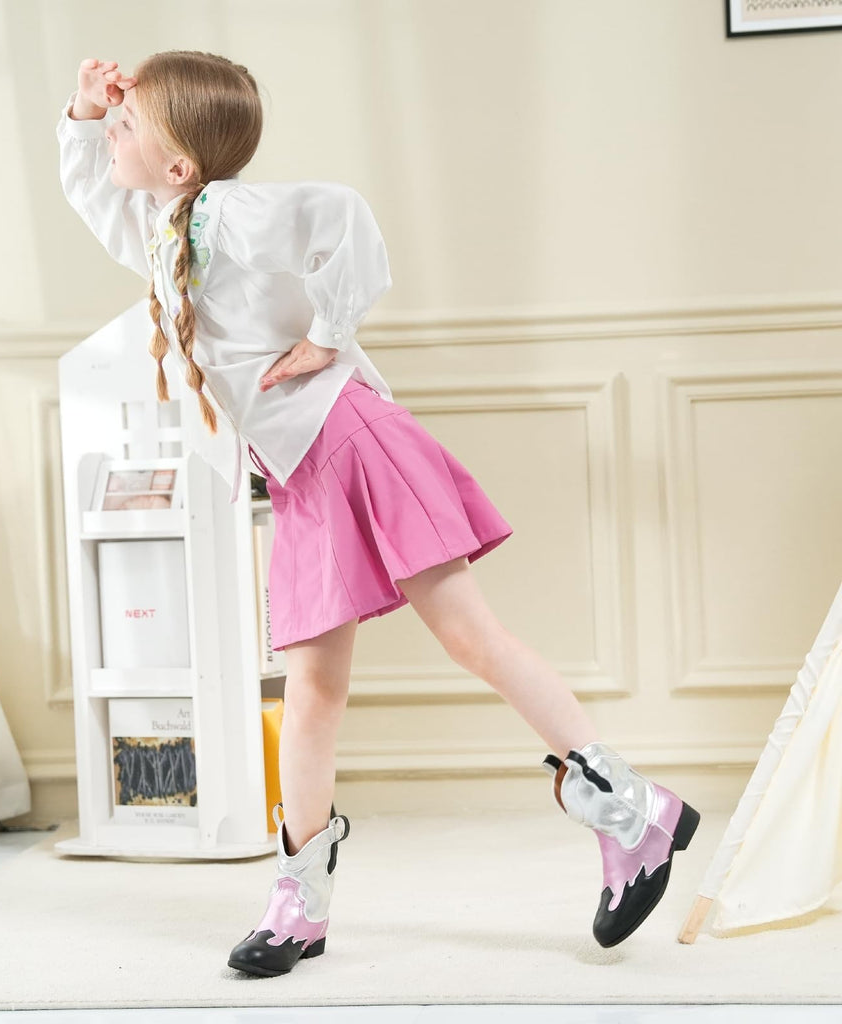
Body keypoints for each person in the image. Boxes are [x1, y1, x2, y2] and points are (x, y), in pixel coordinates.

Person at [56, 51, 700, 977]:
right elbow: (95, 190)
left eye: (125, 125)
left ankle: (630, 808)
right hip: (302, 472)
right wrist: (84, 114)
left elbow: (343, 217)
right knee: (312, 690)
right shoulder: (166, 226)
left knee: (472, 638)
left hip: (349, 442)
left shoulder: (227, 212)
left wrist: (328, 336)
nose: (109, 133)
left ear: (181, 165)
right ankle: (300, 901)